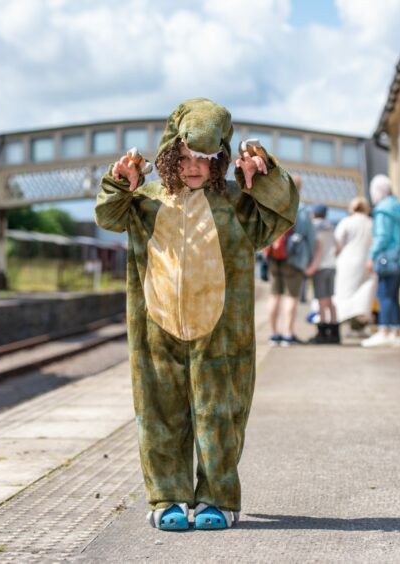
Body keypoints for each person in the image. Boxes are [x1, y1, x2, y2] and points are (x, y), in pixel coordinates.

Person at [95, 98, 298, 531]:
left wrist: (261, 180)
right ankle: (168, 495)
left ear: (220, 160)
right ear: (169, 153)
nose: (192, 168)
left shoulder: (233, 205)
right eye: (183, 158)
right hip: (156, 327)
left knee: (219, 413)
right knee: (159, 412)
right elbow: (107, 215)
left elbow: (280, 216)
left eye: (203, 161)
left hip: (222, 333)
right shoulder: (146, 201)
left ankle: (216, 498)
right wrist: (121, 182)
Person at [362, 175, 400, 348]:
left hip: (388, 258)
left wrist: (371, 256)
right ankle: (396, 332)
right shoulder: (399, 206)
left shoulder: (383, 210)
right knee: (393, 294)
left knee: (384, 294)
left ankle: (385, 331)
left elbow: (382, 237)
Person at [266, 175, 315, 346]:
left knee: (274, 296)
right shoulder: (302, 210)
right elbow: (311, 238)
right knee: (291, 297)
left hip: (274, 258)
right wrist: (310, 261)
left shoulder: (275, 206)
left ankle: (273, 334)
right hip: (295, 259)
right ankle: (287, 334)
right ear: (299, 189)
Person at [333, 196, 377, 337]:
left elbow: (337, 243)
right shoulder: (371, 223)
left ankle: (341, 325)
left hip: (346, 262)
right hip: (366, 262)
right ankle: (359, 328)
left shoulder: (346, 222)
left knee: (344, 295)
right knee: (363, 296)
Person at [304, 204, 339, 343]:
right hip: (332, 266)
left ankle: (322, 334)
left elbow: (318, 247)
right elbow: (338, 247)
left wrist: (313, 266)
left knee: (321, 300)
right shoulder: (330, 226)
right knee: (330, 299)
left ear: (314, 213)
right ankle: (335, 333)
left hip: (320, 267)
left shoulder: (314, 226)